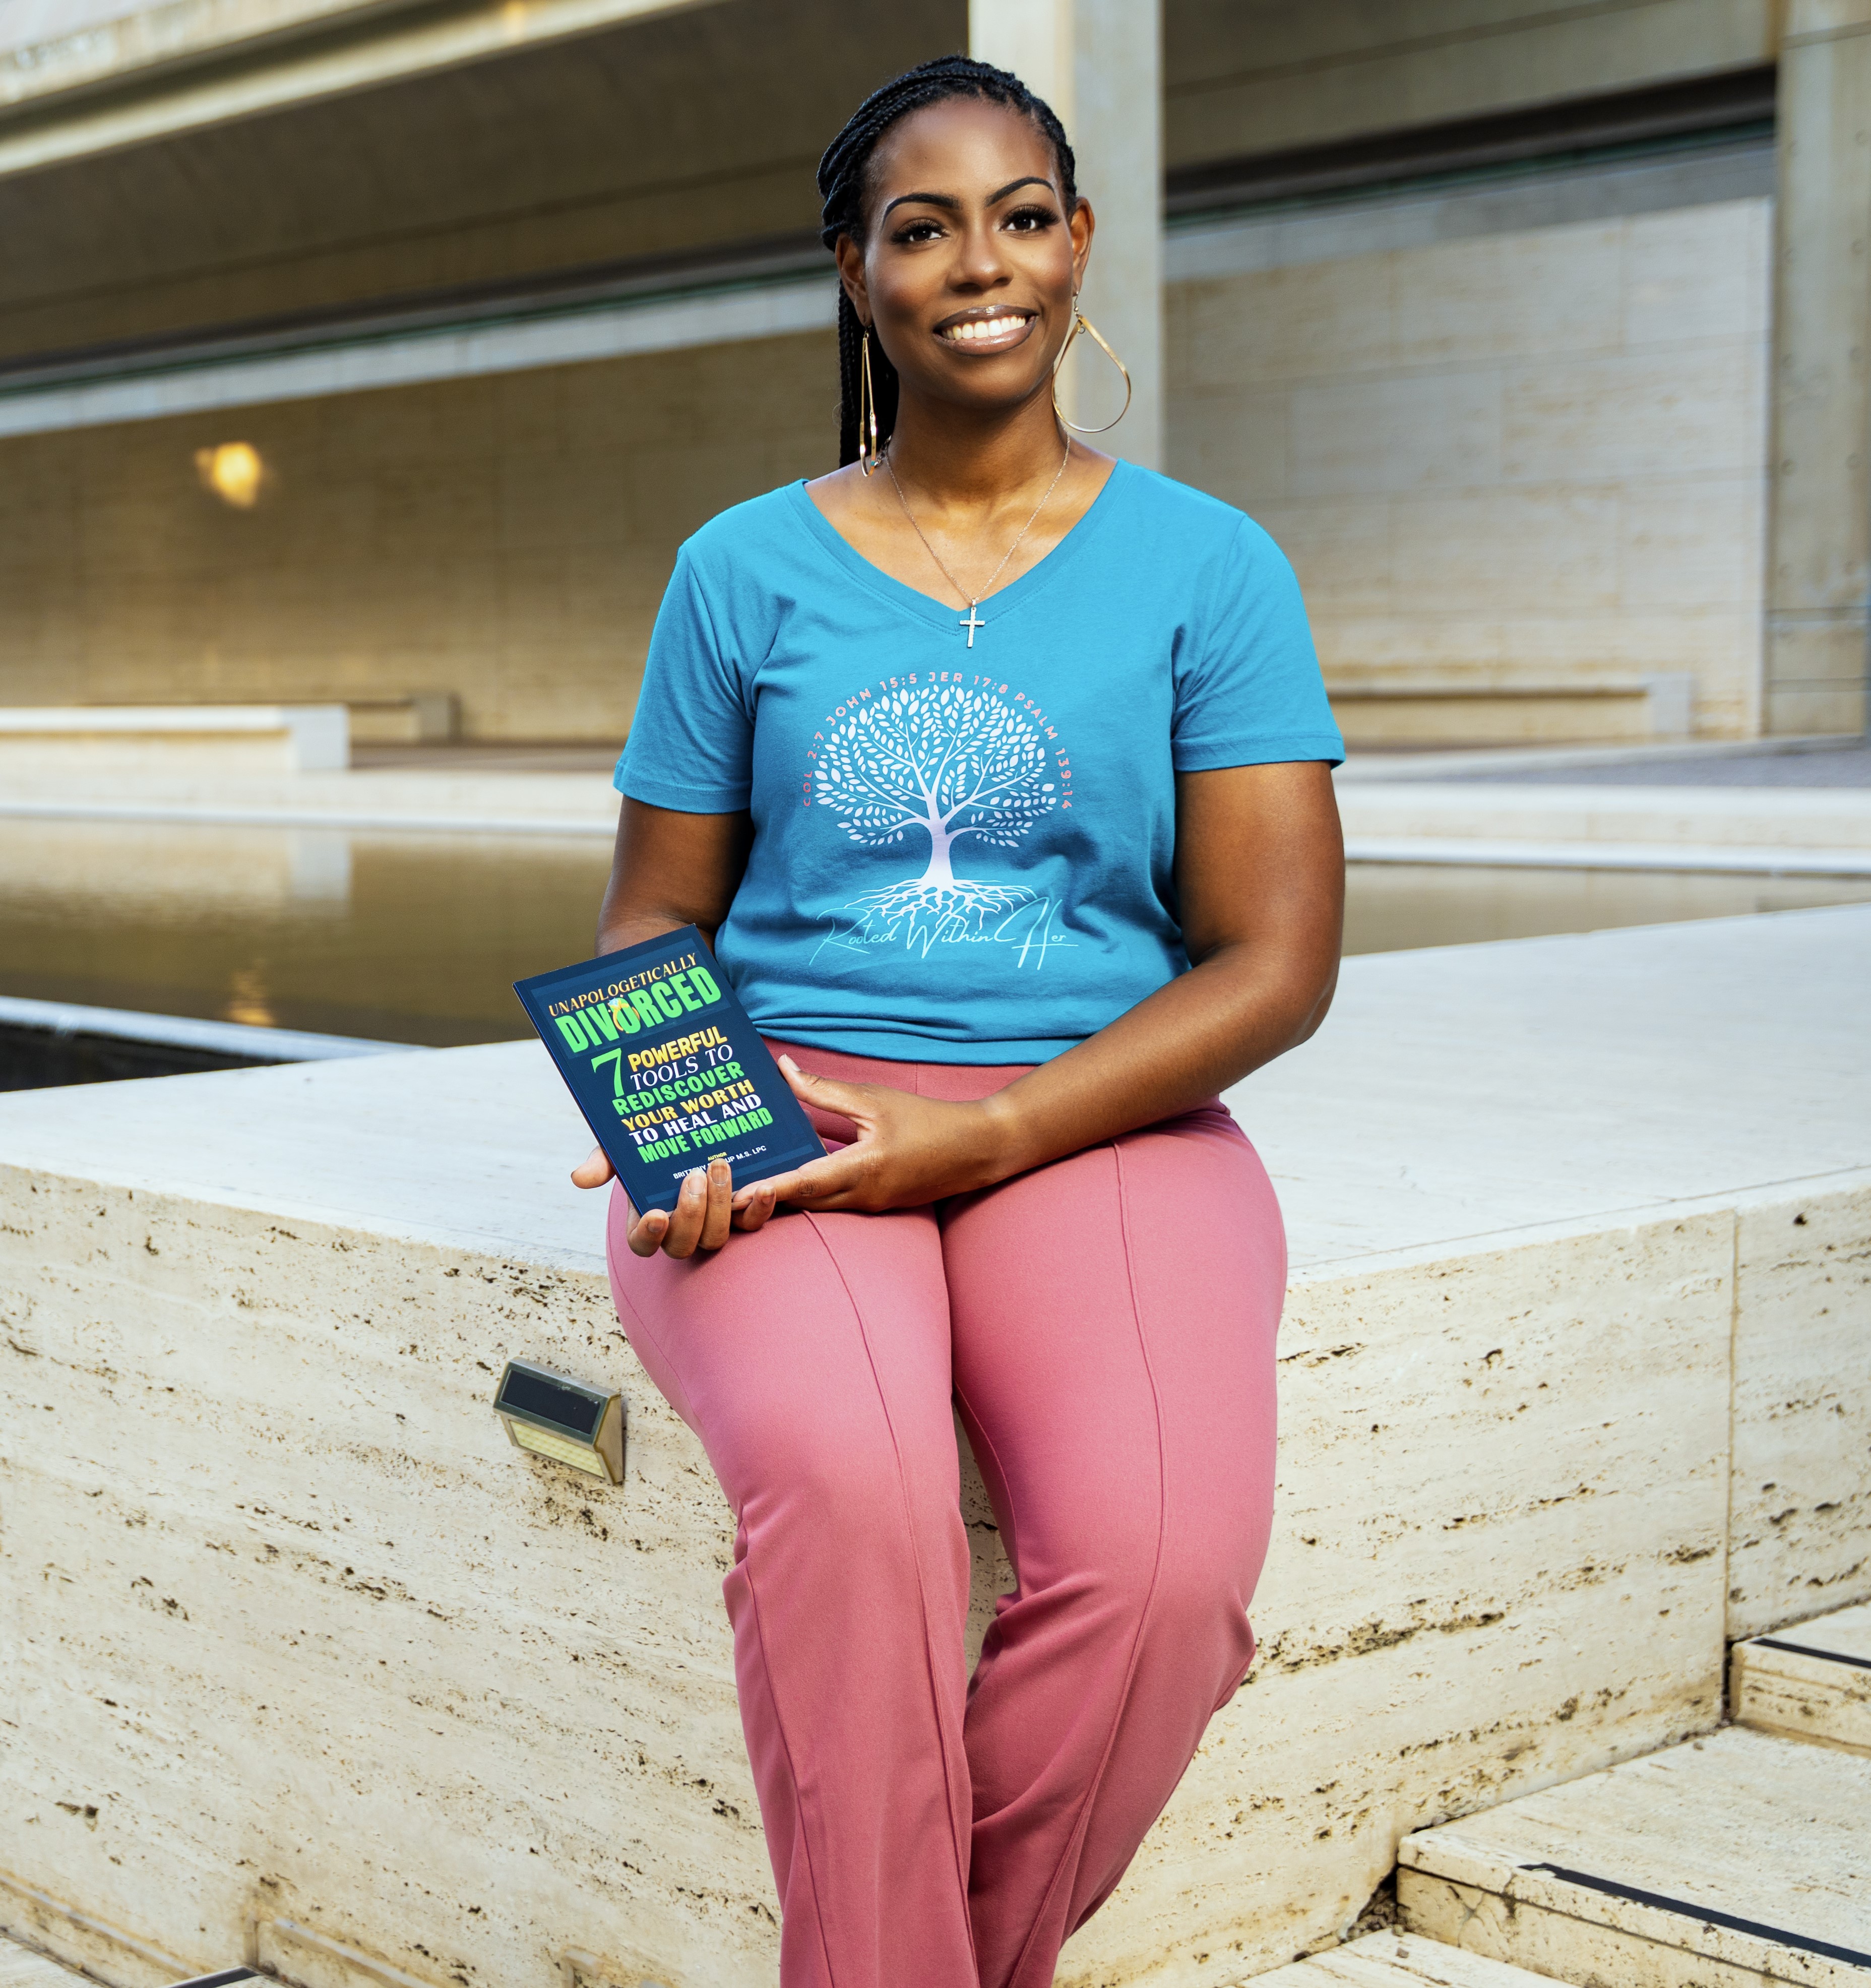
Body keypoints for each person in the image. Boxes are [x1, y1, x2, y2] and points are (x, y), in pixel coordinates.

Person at [572, 54, 1344, 1988]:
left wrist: (991, 1136)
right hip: (789, 1114)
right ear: (857, 273)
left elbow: (1275, 961)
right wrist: (690, 1130)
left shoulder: (1210, 567)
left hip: (1102, 1118)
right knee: (857, 1494)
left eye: (1019, 216)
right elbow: (649, 922)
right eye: (921, 227)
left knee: (1166, 1579)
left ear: (1077, 246)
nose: (976, 263)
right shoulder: (738, 569)